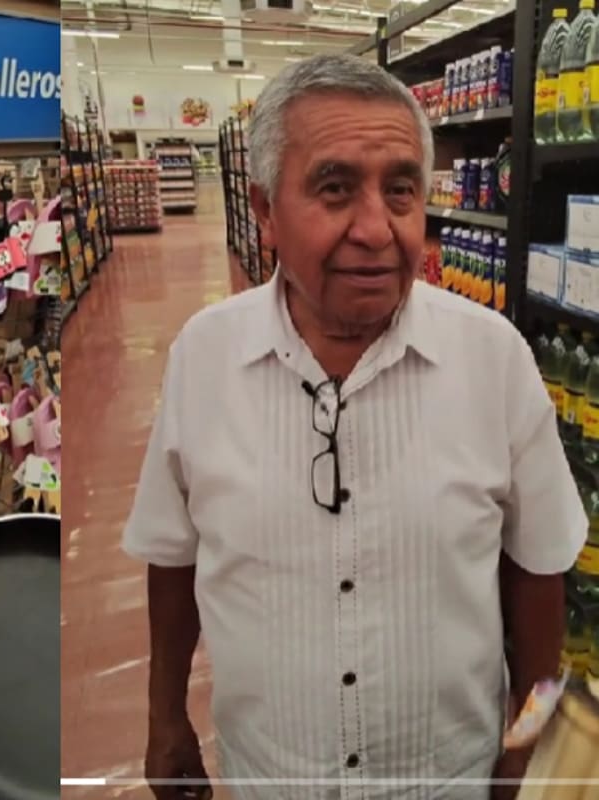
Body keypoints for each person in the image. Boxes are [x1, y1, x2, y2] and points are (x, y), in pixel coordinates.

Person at [121, 54, 587, 800]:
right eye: (335, 190)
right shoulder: (203, 358)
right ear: (265, 210)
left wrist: (525, 749)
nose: (376, 229)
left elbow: (538, 571)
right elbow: (174, 555)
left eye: (400, 191)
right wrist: (163, 712)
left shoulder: (492, 357)